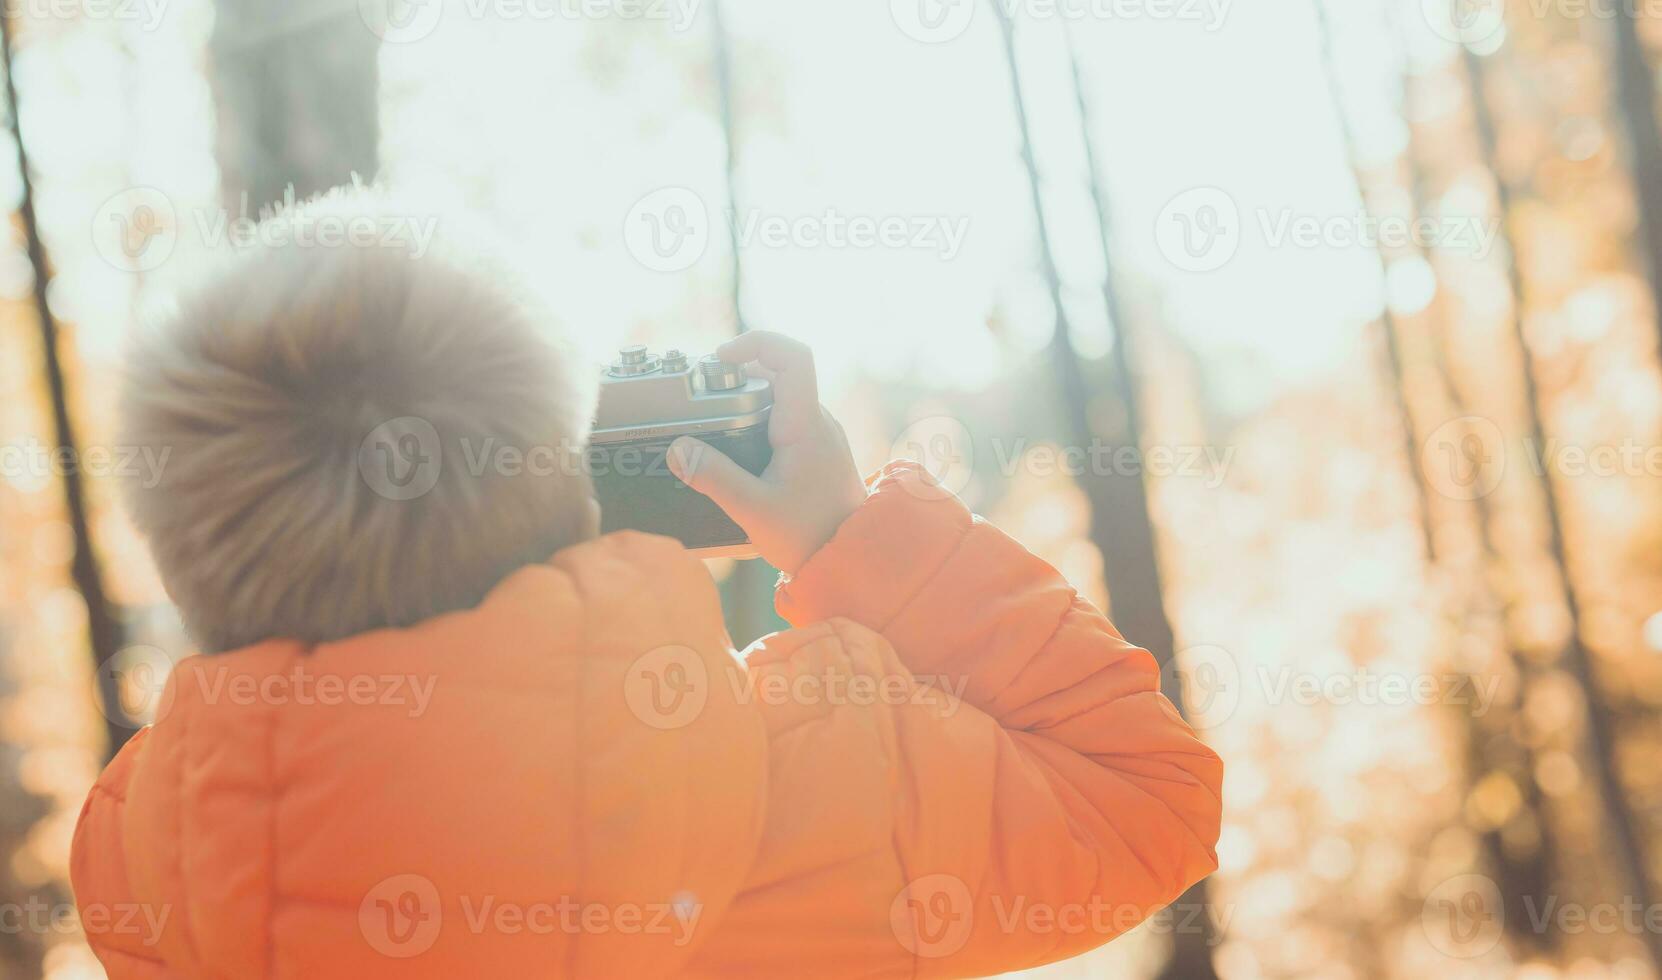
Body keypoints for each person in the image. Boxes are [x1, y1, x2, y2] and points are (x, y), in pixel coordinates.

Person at [70, 190, 1223, 978]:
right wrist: (841, 531)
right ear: (583, 483)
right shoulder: (808, 770)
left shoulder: (145, 871)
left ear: (189, 550)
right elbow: (1148, 794)